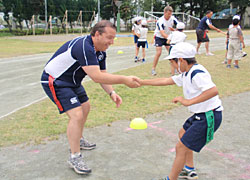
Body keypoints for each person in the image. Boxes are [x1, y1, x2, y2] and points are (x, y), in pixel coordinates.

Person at [40, 20, 140, 175]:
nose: (112, 42)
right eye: (109, 38)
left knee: (85, 107)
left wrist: (112, 93)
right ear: (97, 34)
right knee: (77, 115)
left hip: (72, 81)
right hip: (55, 80)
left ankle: (77, 139)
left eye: (114, 38)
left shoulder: (100, 51)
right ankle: (74, 156)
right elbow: (96, 77)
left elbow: (103, 75)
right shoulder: (84, 46)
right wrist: (125, 79)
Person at [137, 42, 223, 180]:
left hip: (209, 115)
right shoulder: (187, 73)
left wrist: (188, 101)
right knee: (182, 134)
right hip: (201, 114)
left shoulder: (197, 72)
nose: (173, 67)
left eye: (173, 63)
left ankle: (171, 178)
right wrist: (142, 82)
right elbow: (166, 80)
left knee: (181, 147)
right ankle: (189, 168)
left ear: (181, 60)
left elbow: (213, 91)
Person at [151, 5, 178, 76]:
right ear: (164, 13)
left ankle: (175, 68)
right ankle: (153, 69)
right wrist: (170, 38)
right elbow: (162, 33)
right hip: (159, 37)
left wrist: (175, 30)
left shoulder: (173, 19)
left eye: (171, 14)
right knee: (159, 52)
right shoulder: (160, 21)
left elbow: (179, 27)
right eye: (168, 14)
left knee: (172, 52)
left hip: (168, 37)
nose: (170, 16)